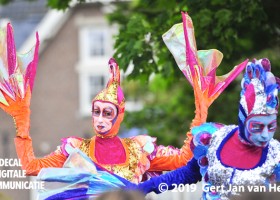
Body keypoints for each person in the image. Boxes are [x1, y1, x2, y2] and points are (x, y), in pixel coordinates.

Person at [0, 12, 247, 199]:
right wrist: (21, 118)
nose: (100, 118)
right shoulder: (76, 149)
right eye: (96, 111)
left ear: (120, 115)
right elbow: (31, 167)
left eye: (107, 112)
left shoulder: (141, 151)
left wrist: (200, 109)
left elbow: (184, 161)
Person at [130, 58, 280, 199]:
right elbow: (188, 174)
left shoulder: (276, 154)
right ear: (243, 119)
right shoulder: (214, 139)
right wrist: (145, 187)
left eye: (271, 126)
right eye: (257, 127)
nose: (265, 135)